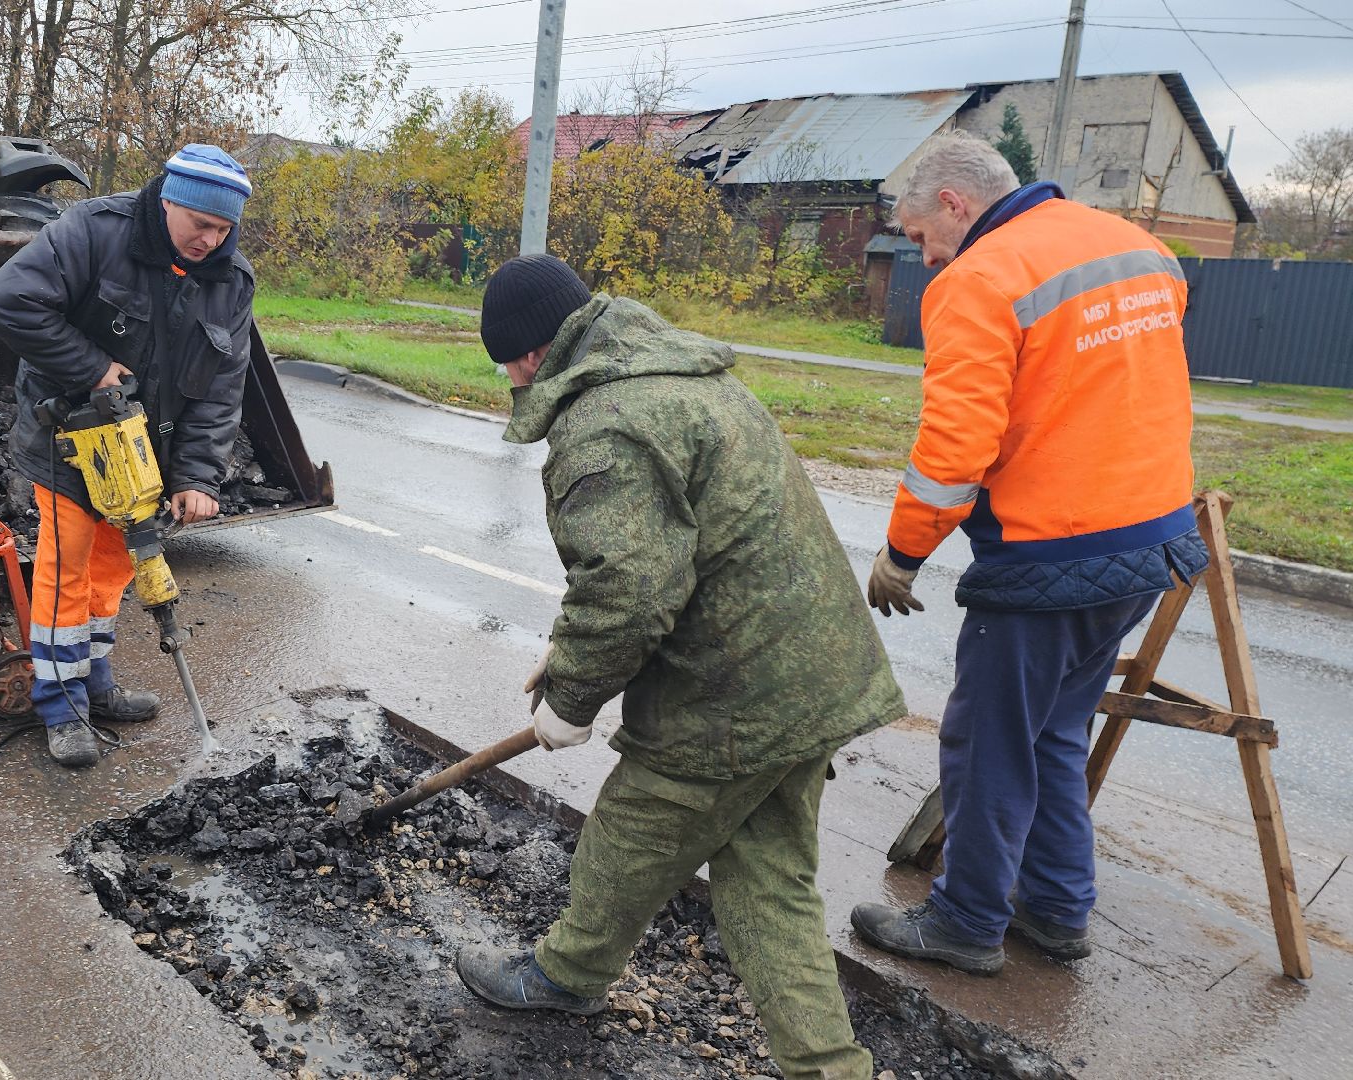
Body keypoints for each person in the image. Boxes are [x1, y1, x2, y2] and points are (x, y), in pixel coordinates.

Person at [453, 254, 906, 1080]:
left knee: (629, 838)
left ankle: (566, 975)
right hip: (809, 674)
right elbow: (669, 550)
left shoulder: (607, 423)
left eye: (504, 367)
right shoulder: (679, 375)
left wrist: (574, 699)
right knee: (768, 879)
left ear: (525, 357)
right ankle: (830, 1068)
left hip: (735, 693)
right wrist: (571, 651)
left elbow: (628, 589)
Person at [850, 132, 1208, 975]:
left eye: (918, 236)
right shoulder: (1138, 247)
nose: (924, 257)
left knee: (988, 742)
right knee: (1053, 734)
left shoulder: (980, 276)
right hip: (1150, 541)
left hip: (1052, 552)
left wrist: (904, 551)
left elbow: (955, 444)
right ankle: (1054, 910)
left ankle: (967, 923)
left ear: (954, 204)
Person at [0, 144, 256, 768]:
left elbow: (220, 391)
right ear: (169, 202)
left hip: (142, 460)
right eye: (201, 225)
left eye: (223, 229)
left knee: (110, 573)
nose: (211, 240)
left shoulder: (231, 283)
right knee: (66, 570)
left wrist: (197, 477)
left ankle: (93, 679)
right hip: (68, 442)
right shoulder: (94, 232)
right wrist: (94, 369)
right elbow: (5, 301)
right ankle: (60, 704)